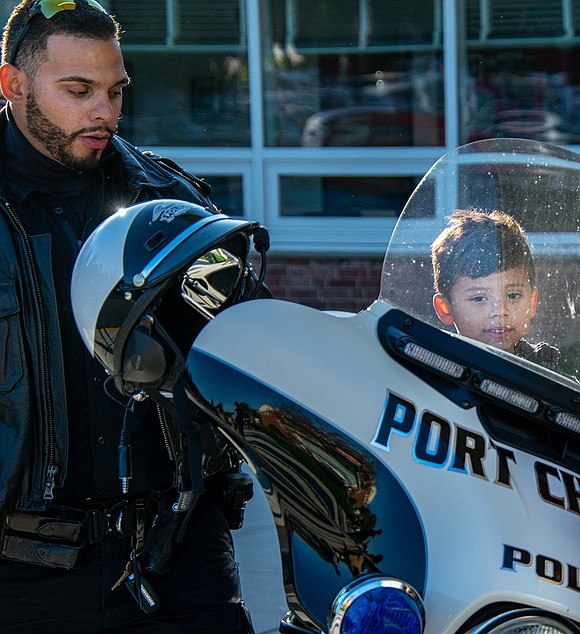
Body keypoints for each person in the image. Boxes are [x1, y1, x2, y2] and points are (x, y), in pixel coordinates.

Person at [0, 1, 254, 631]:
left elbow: (239, 357)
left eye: (115, 91)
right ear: (12, 84)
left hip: (177, 557)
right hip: (18, 573)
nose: (105, 113)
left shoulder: (169, 202)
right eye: (78, 90)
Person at [431, 208, 560, 370]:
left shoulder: (547, 371)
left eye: (512, 295)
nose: (500, 311)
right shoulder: (434, 373)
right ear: (445, 309)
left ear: (532, 302)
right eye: (479, 298)